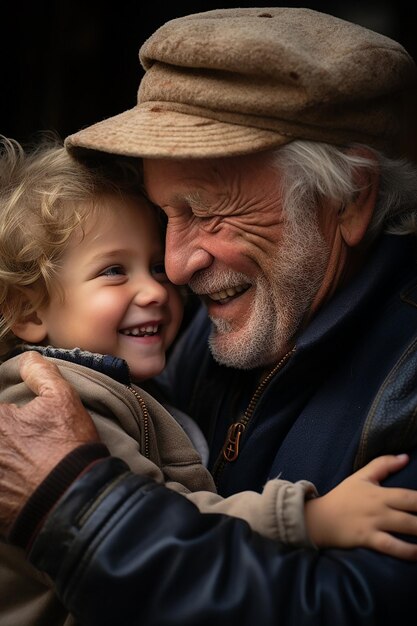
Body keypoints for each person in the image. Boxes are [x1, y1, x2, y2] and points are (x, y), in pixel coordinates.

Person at [1, 6, 417, 625]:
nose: (174, 265)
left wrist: (74, 506)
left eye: (209, 210)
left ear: (350, 197)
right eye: (166, 212)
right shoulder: (202, 327)